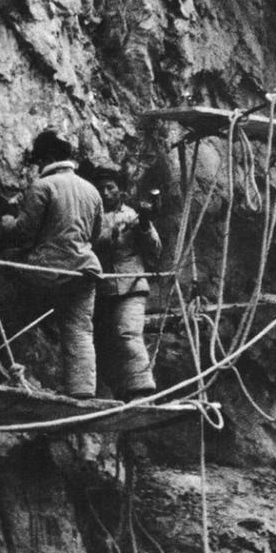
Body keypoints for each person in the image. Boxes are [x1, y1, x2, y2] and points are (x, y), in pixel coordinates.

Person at [0, 130, 103, 398]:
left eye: (40, 161)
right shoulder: (92, 190)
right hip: (85, 269)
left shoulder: (43, 186)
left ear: (49, 158)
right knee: (79, 330)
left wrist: (7, 222)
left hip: (48, 270)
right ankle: (82, 391)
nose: (38, 167)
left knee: (4, 267)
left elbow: (24, 233)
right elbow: (96, 235)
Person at [92, 169, 162, 402]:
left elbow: (154, 249)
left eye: (110, 187)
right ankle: (122, 393)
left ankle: (143, 392)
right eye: (100, 188)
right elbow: (87, 244)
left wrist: (145, 225)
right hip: (102, 290)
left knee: (128, 333)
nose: (105, 192)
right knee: (105, 342)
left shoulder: (132, 214)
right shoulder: (91, 216)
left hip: (131, 286)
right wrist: (112, 232)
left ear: (120, 190)